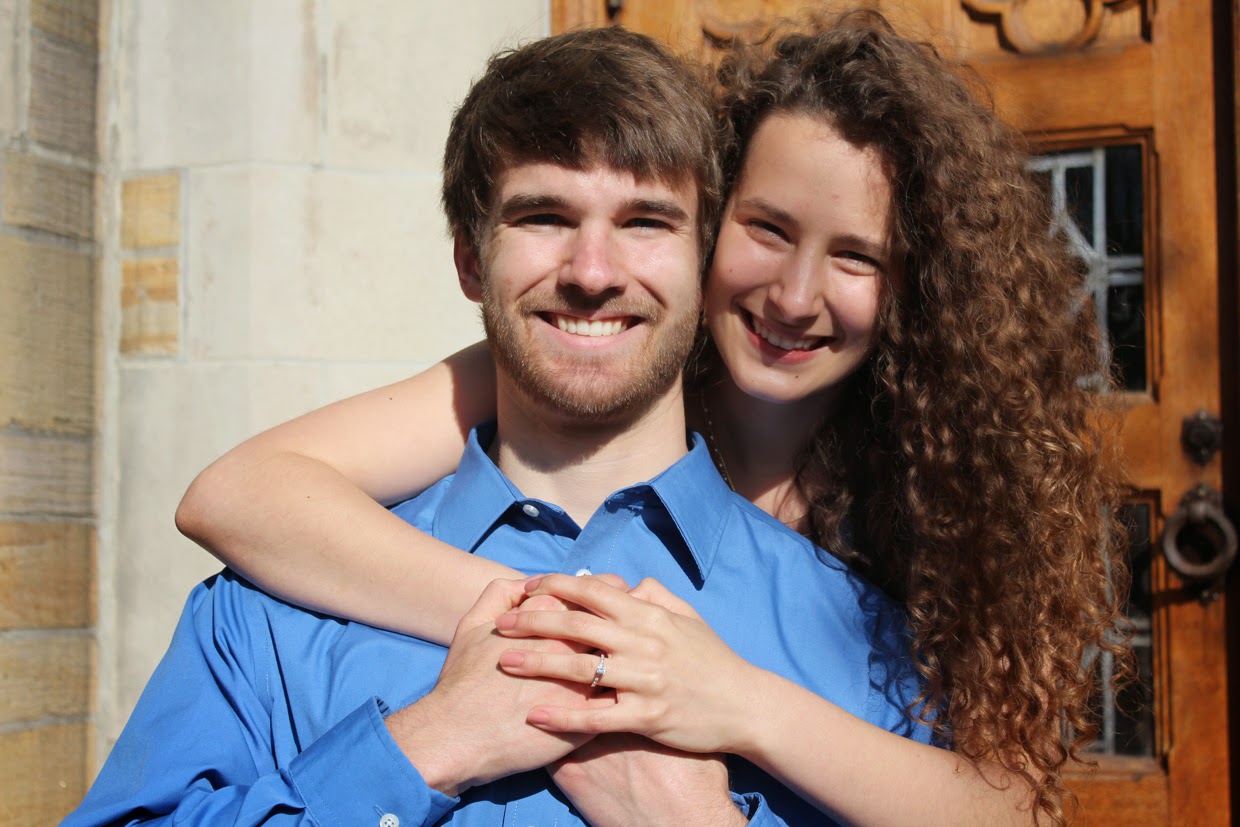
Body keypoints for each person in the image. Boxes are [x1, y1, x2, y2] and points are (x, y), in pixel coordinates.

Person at [173, 12, 1130, 827]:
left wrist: (738, 707)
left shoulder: (921, 511)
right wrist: (545, 635)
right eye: (767, 229)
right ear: (712, 230)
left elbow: (1010, 806)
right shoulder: (570, 363)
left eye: (857, 257)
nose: (794, 296)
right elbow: (241, 494)